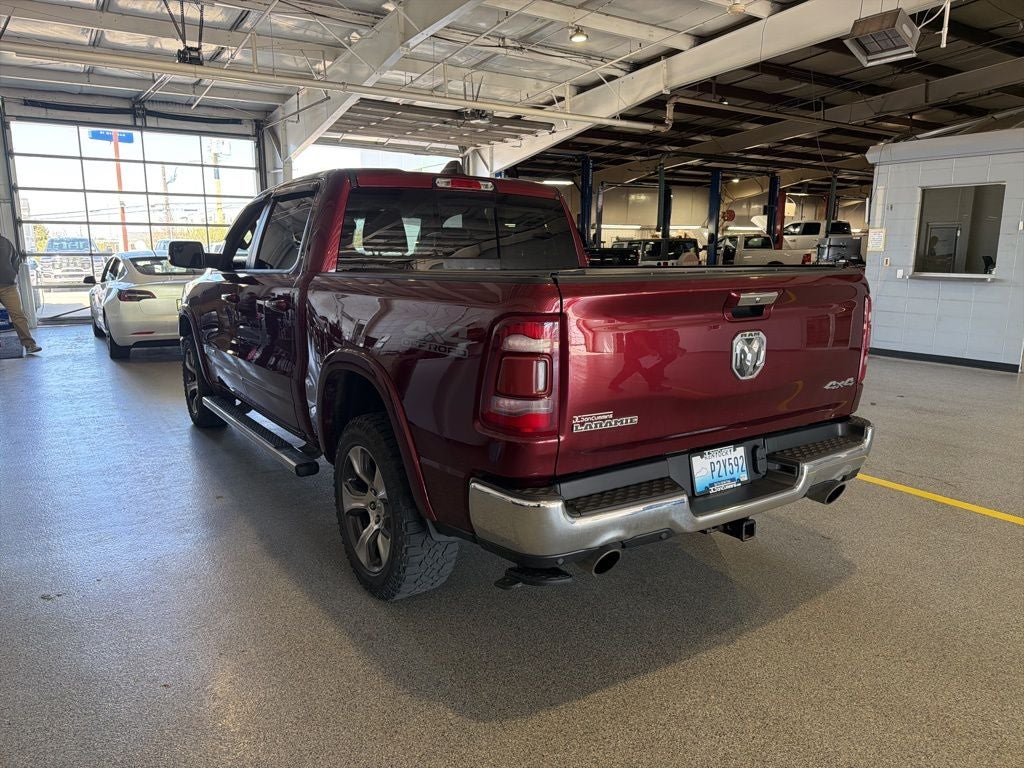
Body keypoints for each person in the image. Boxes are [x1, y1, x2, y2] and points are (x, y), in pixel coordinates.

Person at [0, 232, 42, 354]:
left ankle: (29, 344)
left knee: (18, 315)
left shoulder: (6, 243)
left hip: (9, 287)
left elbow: (16, 259)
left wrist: (13, 273)